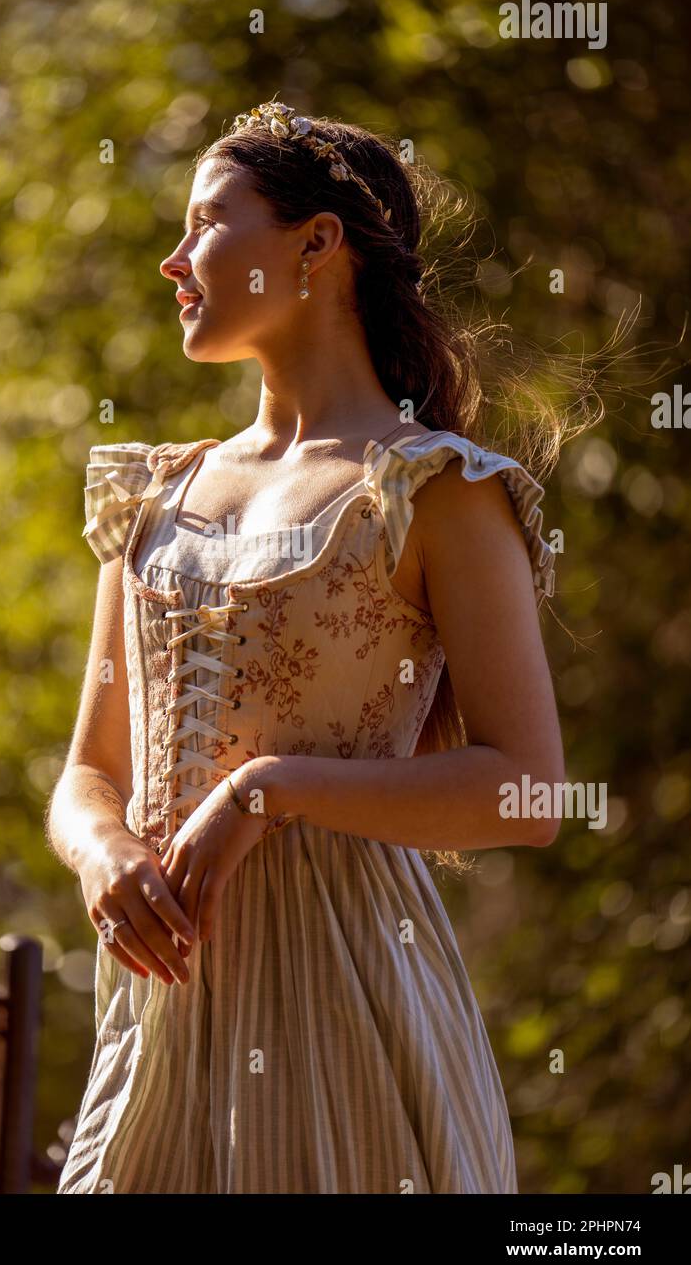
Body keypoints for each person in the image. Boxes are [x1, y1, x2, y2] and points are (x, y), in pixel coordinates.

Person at [48, 99, 568, 1194]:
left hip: (354, 1007)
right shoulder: (153, 494)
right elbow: (90, 772)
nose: (171, 259)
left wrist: (263, 790)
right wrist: (102, 853)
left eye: (203, 224)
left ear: (316, 244)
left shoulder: (436, 490)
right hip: (161, 1022)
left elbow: (526, 789)